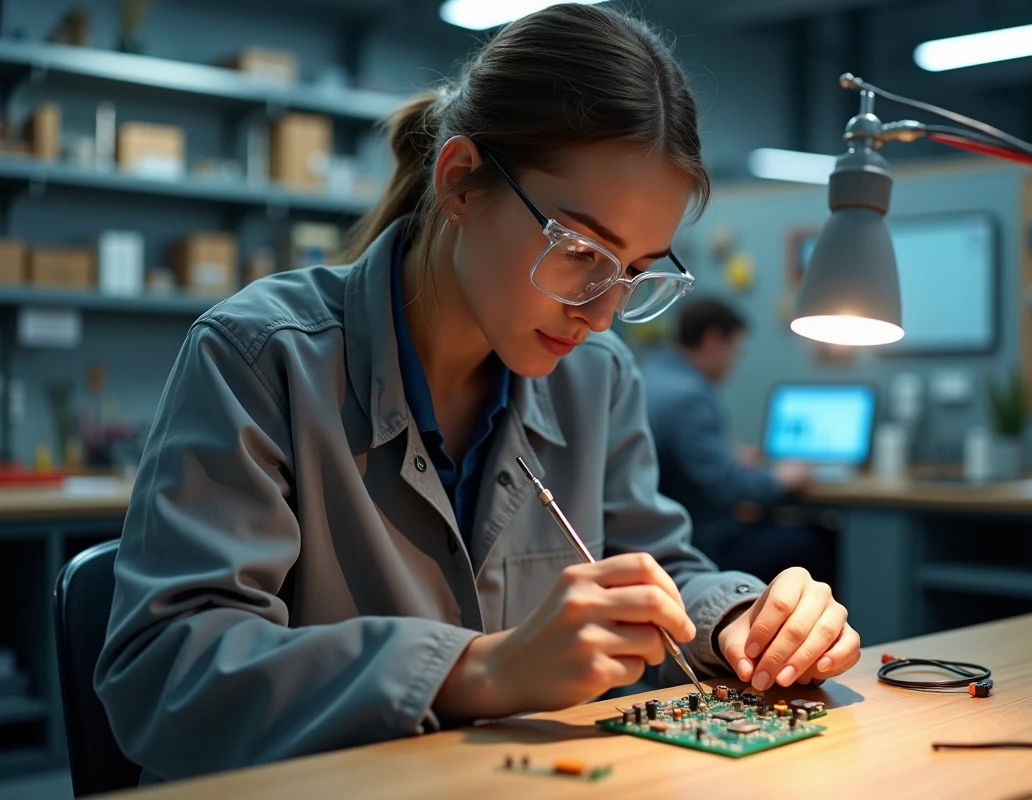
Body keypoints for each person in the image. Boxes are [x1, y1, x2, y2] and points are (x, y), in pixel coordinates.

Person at [95, 5, 859, 784]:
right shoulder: (260, 359)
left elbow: (652, 569)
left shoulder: (597, 378)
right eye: (580, 251)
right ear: (460, 183)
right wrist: (478, 671)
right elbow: (164, 676)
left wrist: (739, 619)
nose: (601, 314)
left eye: (636, 272)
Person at [643, 298, 833, 584]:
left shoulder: (652, 375)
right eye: (735, 352)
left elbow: (683, 459)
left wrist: (727, 455)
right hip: (697, 547)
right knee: (815, 539)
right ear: (713, 340)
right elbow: (727, 487)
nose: (734, 364)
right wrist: (782, 478)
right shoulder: (690, 397)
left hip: (652, 539)